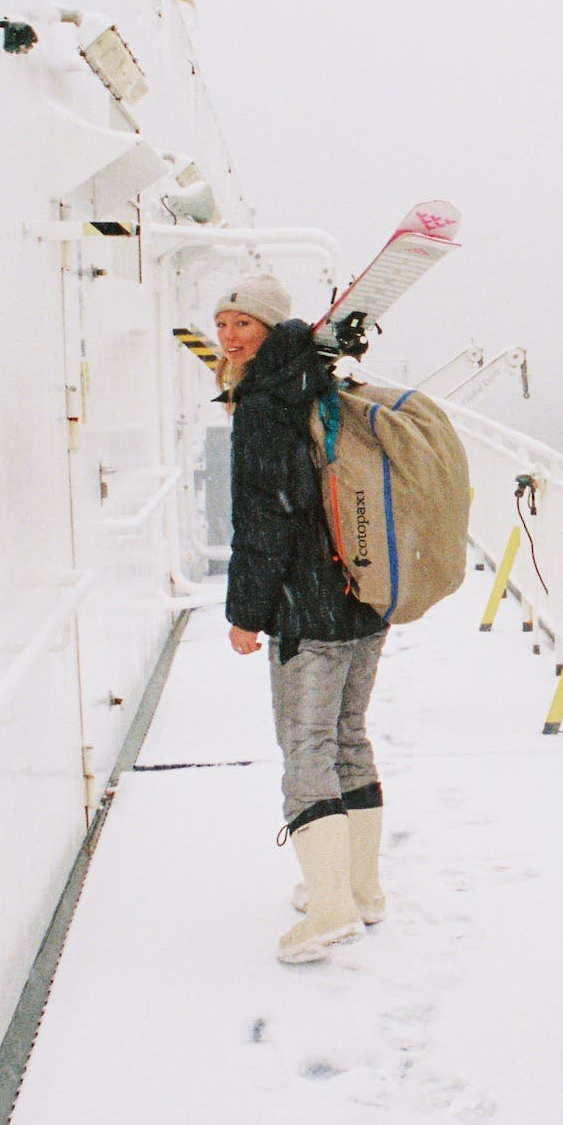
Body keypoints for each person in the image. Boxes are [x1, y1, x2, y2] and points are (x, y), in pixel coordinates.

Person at [214, 276, 392, 964]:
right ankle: (361, 890)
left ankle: (330, 910)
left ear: (269, 329)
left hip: (309, 605)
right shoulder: (320, 377)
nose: (230, 336)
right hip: (363, 591)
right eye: (223, 323)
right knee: (348, 737)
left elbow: (266, 517)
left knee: (307, 749)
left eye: (243, 324)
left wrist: (246, 612)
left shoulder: (264, 402)